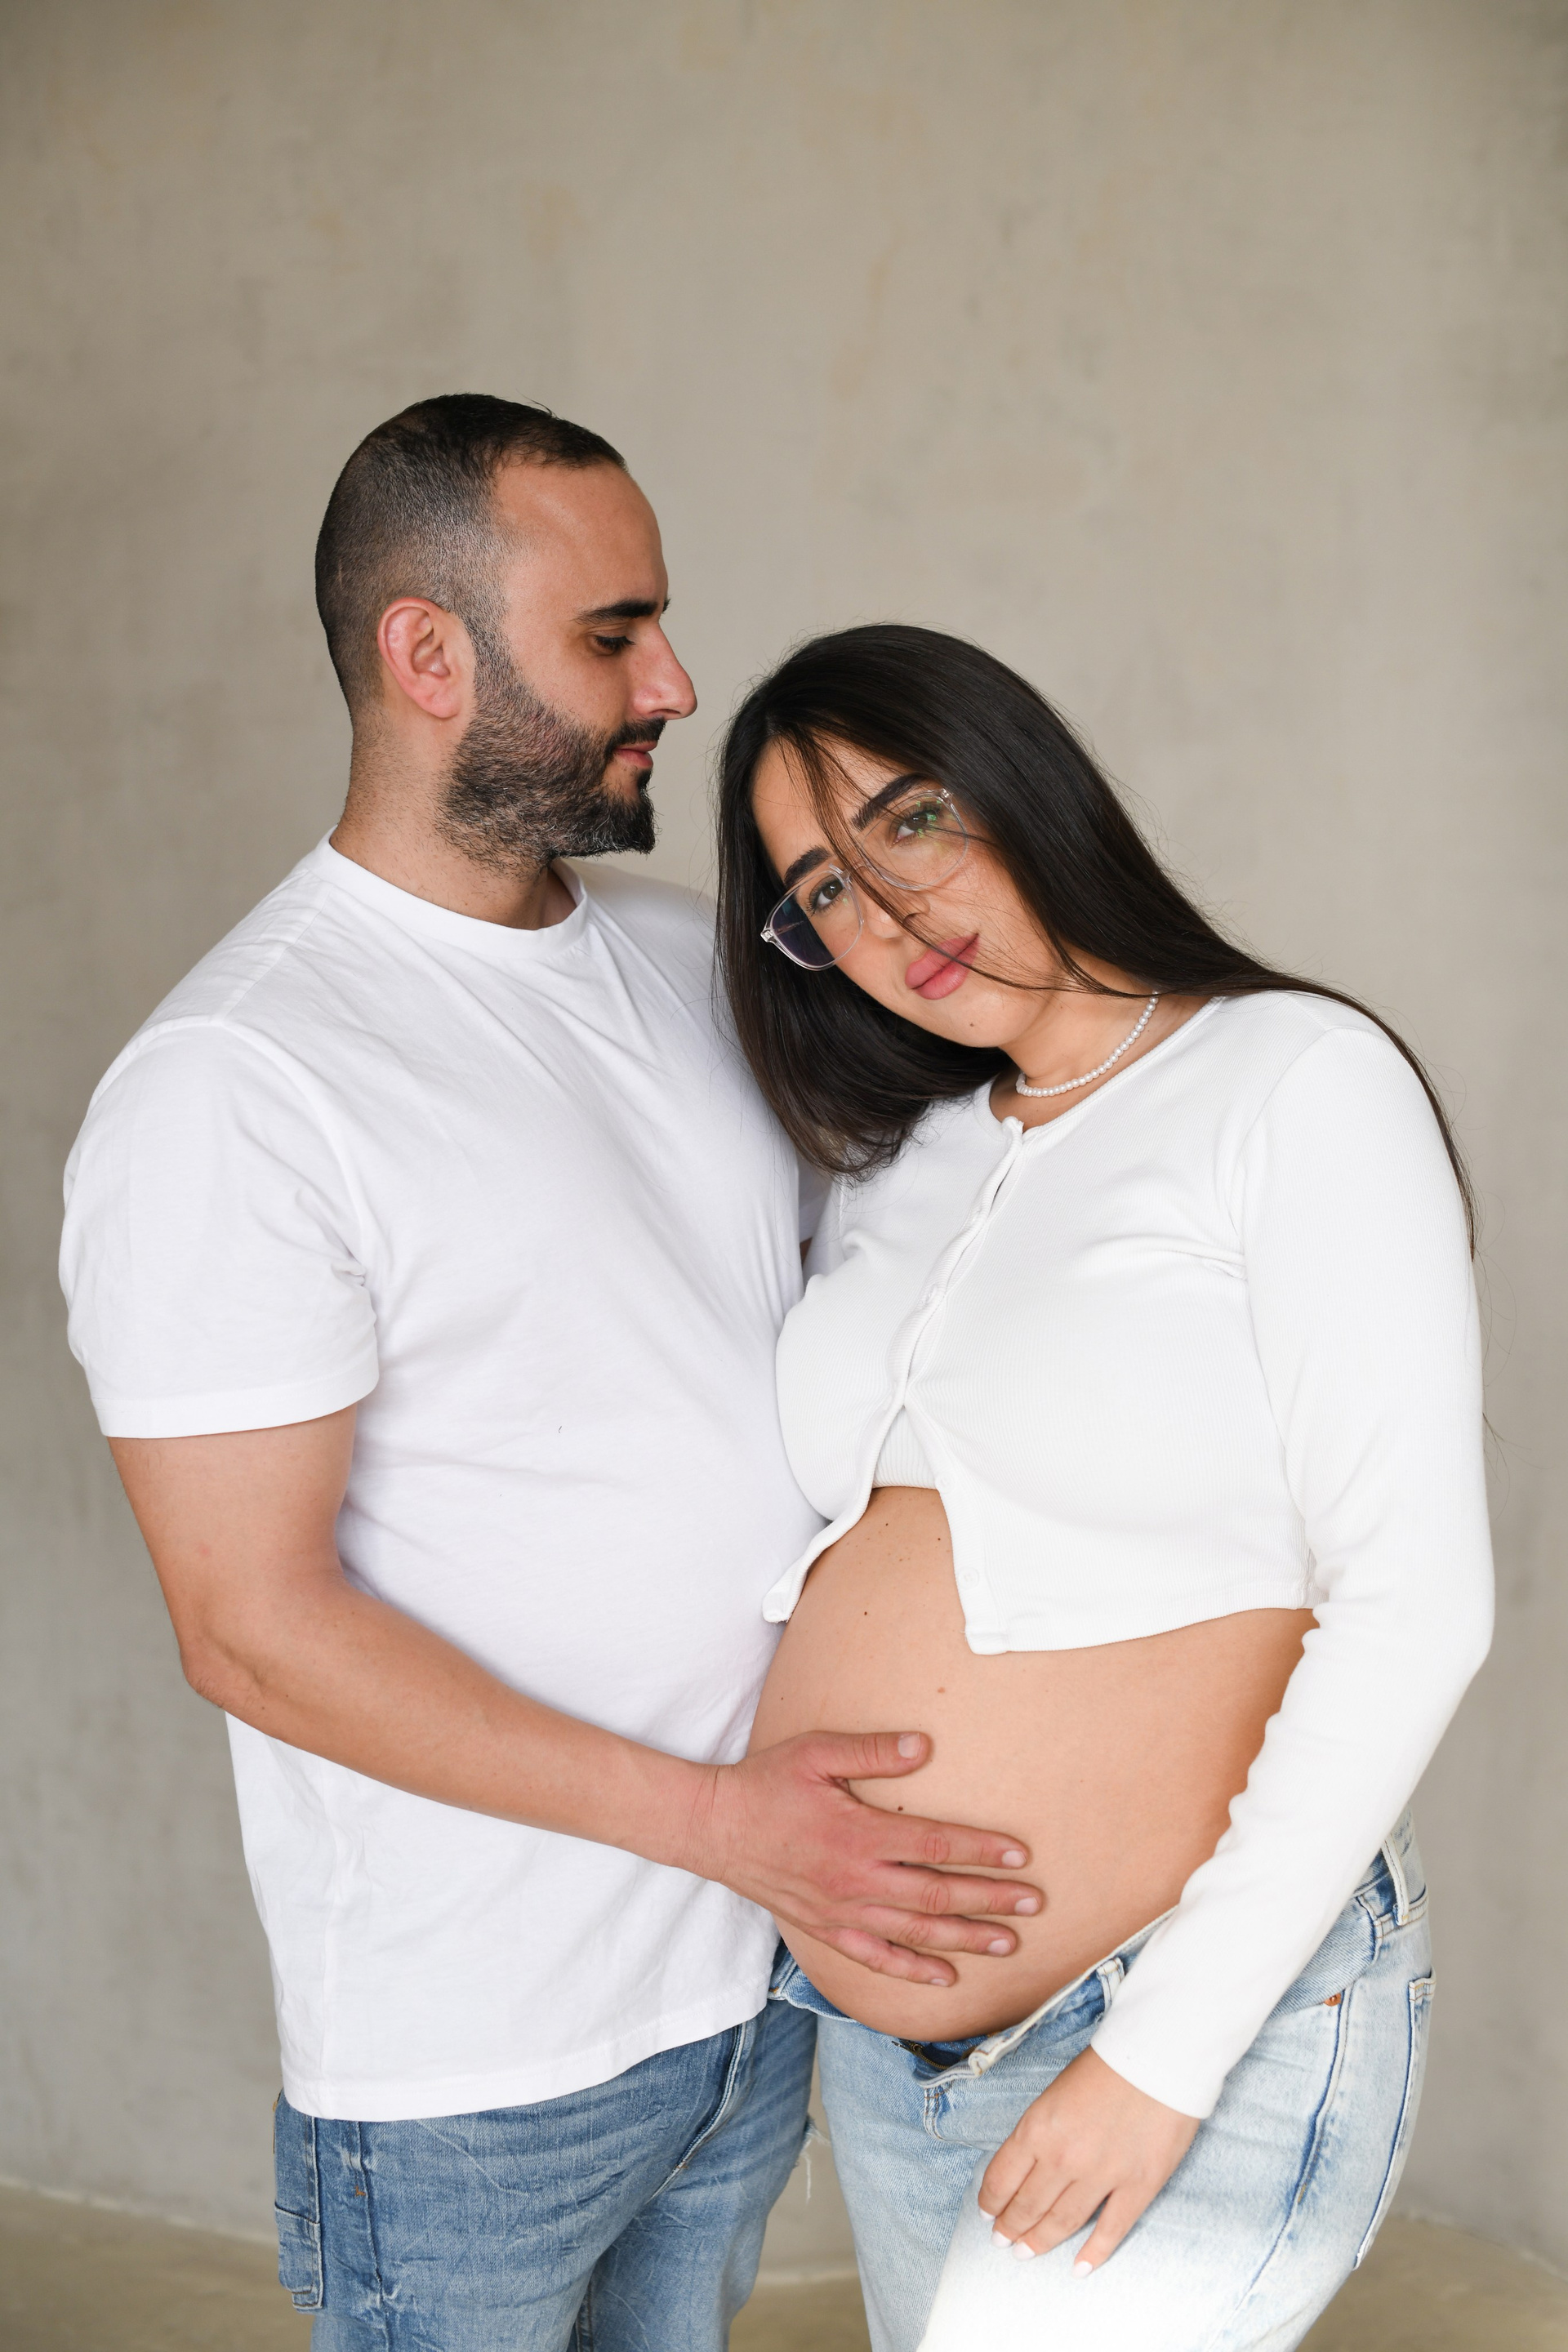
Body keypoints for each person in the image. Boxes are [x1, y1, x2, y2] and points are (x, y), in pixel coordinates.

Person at [57, 406, 1043, 2352]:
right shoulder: (239, 1086)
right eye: (614, 634)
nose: (675, 683)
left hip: (750, 1990)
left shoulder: (695, 964)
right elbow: (253, 1631)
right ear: (428, 656)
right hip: (477, 2064)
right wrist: (729, 1826)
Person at [713, 623, 1494, 2352]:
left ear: (1021, 783)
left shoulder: (1290, 1080)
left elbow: (1417, 1603)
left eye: (910, 821)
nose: (887, 914)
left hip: (1186, 2004)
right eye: (822, 891)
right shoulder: (904, 1160)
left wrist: (1159, 2061)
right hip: (887, 2050)